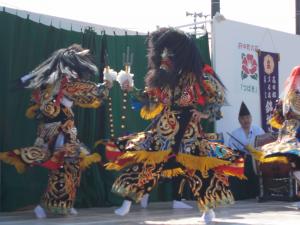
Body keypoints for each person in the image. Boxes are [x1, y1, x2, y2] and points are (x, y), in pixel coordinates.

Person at [103, 28, 245, 224]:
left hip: (189, 130)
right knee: (148, 163)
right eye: (163, 53)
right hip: (165, 128)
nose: (165, 58)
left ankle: (208, 210)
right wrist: (131, 88)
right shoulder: (164, 77)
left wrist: (204, 113)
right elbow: (149, 98)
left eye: (169, 54)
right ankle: (127, 202)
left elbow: (218, 98)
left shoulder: (199, 75)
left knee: (197, 170)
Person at [0, 44, 113, 218]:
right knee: (65, 166)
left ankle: (65, 204)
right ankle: (47, 206)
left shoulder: (55, 81)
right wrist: (104, 86)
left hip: (59, 131)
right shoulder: (62, 82)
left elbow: (81, 94)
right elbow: (88, 91)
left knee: (71, 166)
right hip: (58, 133)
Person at [260, 66, 300, 208]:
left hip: (289, 133)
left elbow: (281, 116)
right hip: (293, 134)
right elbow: (287, 115)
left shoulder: (288, 96)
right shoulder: (292, 96)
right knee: (295, 160)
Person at [227, 102, 265, 199]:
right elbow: (231, 151)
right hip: (243, 160)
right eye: (243, 118)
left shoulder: (258, 130)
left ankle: (258, 193)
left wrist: (254, 149)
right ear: (239, 120)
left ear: (251, 118)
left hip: (257, 159)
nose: (246, 120)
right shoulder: (235, 134)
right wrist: (243, 151)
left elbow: (265, 144)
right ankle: (241, 195)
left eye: (248, 118)